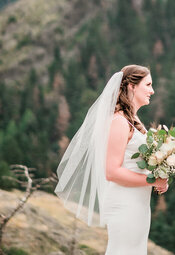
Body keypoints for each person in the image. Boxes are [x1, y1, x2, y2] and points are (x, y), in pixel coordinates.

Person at [55, 64, 168, 255]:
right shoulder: (119, 121)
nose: (152, 90)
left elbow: (133, 163)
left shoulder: (133, 120)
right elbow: (112, 171)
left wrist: (159, 176)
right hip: (125, 203)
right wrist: (152, 180)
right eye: (148, 85)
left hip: (138, 202)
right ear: (132, 86)